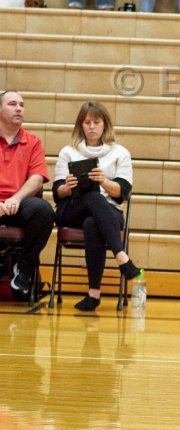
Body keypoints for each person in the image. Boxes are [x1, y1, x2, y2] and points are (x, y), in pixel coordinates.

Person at [52, 101, 140, 312]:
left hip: (108, 211)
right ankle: (122, 257)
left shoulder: (120, 153)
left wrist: (104, 182)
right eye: (87, 122)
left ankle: (93, 295)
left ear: (105, 124)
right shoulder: (68, 152)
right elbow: (56, 192)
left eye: (96, 122)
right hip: (72, 209)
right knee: (92, 196)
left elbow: (123, 192)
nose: (91, 126)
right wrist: (67, 187)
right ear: (80, 125)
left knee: (93, 223)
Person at [0, 91, 55, 296]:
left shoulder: (33, 142)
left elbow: (37, 178)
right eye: (12, 104)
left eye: (21, 105)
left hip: (17, 204)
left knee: (43, 210)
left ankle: (24, 268)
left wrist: (16, 198)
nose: (19, 108)